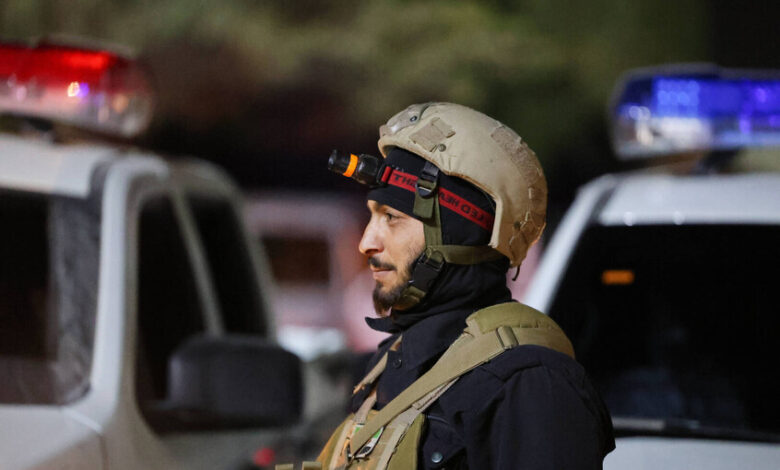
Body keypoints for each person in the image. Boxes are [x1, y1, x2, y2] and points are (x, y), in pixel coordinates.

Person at [316, 103, 614, 469]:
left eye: (392, 218)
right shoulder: (388, 363)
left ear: (458, 233)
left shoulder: (530, 385)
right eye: (372, 216)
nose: (367, 243)